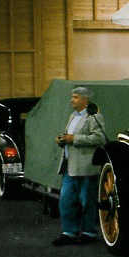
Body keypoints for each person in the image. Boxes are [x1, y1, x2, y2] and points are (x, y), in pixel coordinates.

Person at [53, 87, 107, 246]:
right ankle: (69, 232)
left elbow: (100, 138)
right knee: (66, 200)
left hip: (86, 167)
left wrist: (74, 138)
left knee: (87, 201)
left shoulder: (94, 117)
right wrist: (62, 139)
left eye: (76, 97)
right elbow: (70, 136)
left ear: (85, 100)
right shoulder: (72, 116)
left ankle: (88, 232)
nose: (72, 100)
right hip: (69, 166)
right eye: (72, 97)